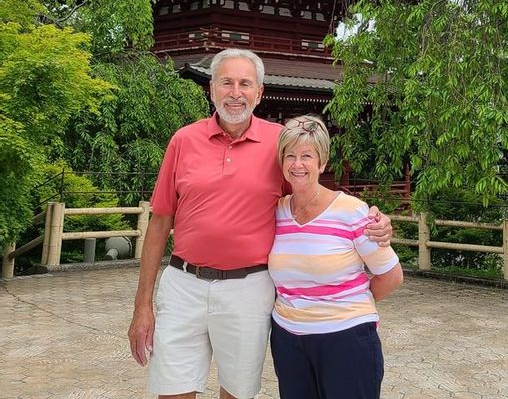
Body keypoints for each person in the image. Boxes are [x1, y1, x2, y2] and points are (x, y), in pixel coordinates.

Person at [127, 48, 393, 399]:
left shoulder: (278, 143)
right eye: (226, 83)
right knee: (172, 390)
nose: (235, 93)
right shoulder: (183, 140)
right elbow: (160, 221)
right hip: (183, 283)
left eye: (245, 84)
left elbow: (309, 191)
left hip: (248, 287)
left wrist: (367, 217)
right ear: (211, 89)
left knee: (237, 391)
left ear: (259, 92)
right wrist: (142, 304)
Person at [268, 115, 403, 399]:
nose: (297, 164)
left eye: (307, 156)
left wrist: (345, 302)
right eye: (289, 156)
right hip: (289, 340)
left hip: (346, 339)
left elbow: (391, 275)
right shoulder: (276, 212)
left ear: (322, 162)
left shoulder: (351, 211)